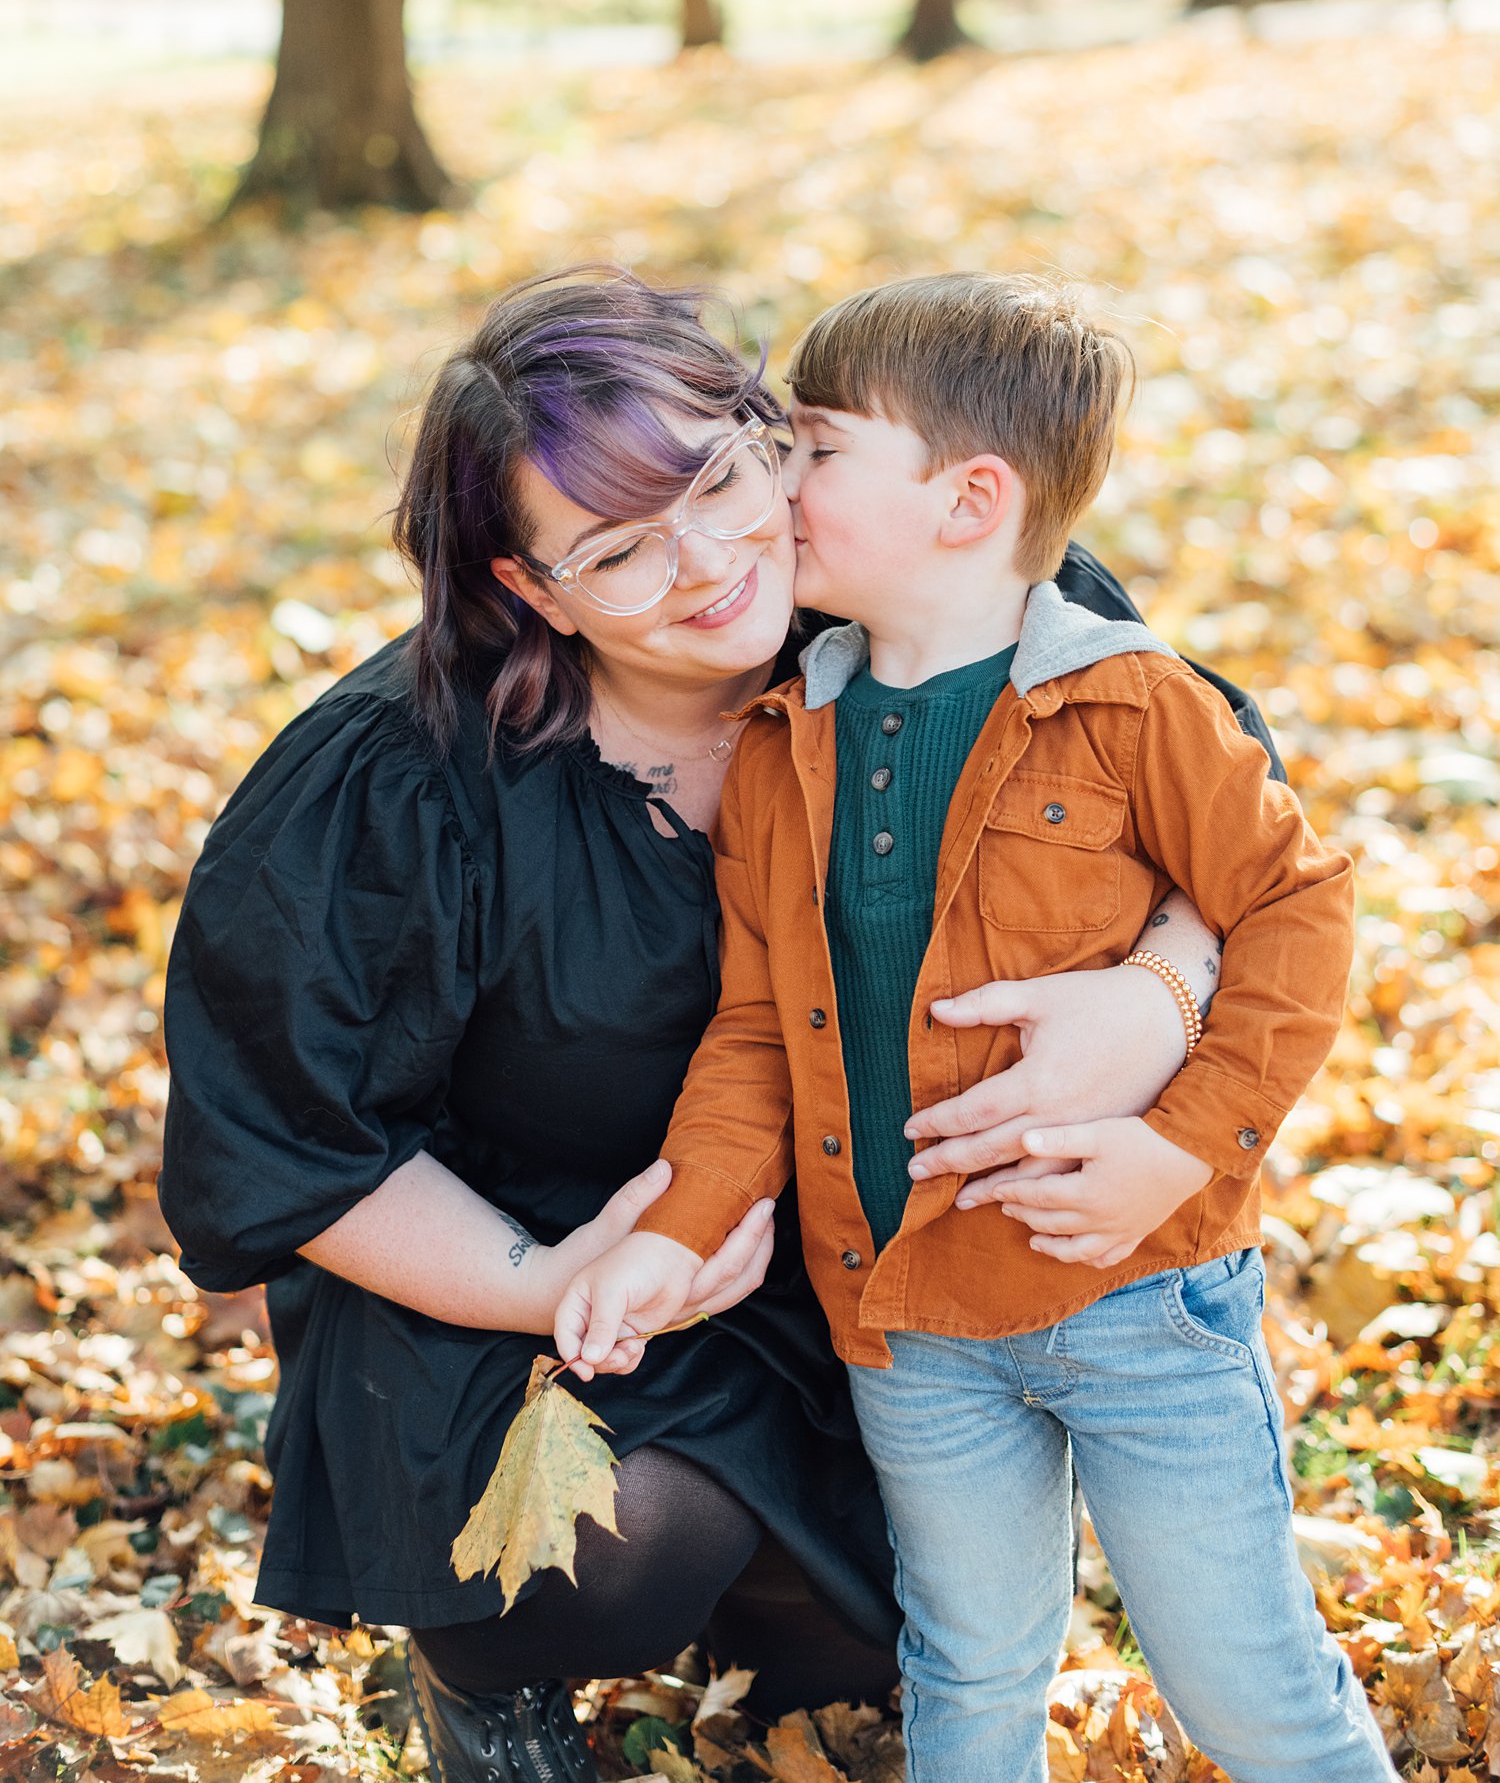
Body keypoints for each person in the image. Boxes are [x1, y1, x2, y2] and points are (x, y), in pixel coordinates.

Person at [160, 270, 1268, 1783]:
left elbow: (1239, 822)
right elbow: (290, 1141)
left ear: (775, 435)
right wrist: (562, 1276)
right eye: (618, 549)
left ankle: (787, 1585)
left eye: (727, 475)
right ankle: (492, 1683)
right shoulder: (398, 786)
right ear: (531, 590)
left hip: (857, 1239)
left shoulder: (937, 596)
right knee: (611, 1553)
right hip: (528, 1254)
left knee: (901, 1630)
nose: (708, 564)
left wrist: (1162, 991)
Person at [555, 273, 1397, 1783]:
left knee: (1248, 1683)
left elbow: (1298, 908)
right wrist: (673, 1231)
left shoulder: (1138, 710)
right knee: (969, 1666)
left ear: (970, 498)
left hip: (1137, 1290)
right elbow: (758, 1027)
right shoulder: (784, 741)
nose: (773, 486)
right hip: (906, 1314)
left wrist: (1180, 1146)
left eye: (811, 447)